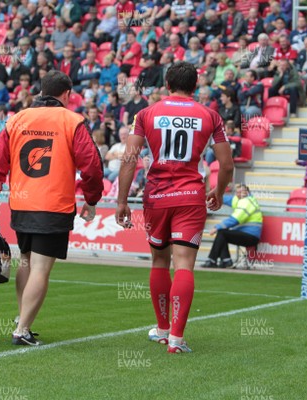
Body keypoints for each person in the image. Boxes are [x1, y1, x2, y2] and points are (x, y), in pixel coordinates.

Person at [115, 61, 234, 353]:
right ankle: (177, 339)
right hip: (191, 196)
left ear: (167, 84)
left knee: (159, 261)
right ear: (195, 87)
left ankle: (163, 329)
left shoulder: (145, 114)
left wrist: (121, 201)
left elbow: (130, 159)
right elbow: (227, 164)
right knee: (184, 265)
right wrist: (218, 192)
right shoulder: (210, 116)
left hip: (156, 196)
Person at [0, 70, 104, 346]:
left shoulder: (18, 118)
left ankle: (22, 318)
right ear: (67, 95)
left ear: (40, 91)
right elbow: (93, 166)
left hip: (22, 201)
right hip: (54, 203)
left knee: (25, 261)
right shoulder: (72, 121)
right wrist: (92, 199)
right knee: (40, 268)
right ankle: (22, 328)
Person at [203, 184, 262, 268]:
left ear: (247, 193)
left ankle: (214, 260)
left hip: (251, 236)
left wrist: (217, 227)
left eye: (241, 192)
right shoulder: (239, 199)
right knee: (222, 233)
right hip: (248, 234)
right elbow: (227, 199)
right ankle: (225, 261)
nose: (239, 194)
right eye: (237, 192)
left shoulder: (247, 202)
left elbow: (235, 219)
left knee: (222, 232)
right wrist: (210, 196)